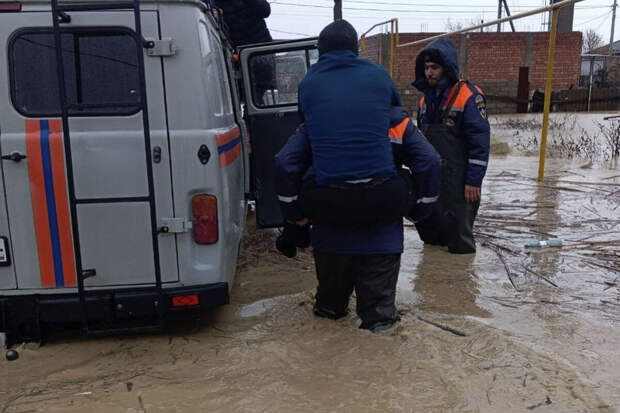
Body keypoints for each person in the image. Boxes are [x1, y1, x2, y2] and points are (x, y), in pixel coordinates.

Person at [274, 20, 440, 333]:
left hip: (329, 227)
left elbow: (284, 164)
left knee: (329, 317)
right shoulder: (382, 85)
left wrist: (295, 215)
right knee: (381, 325)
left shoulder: (309, 85)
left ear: (321, 51)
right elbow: (429, 161)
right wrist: (420, 210)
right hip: (383, 227)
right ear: (356, 50)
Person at [412, 38, 490, 254]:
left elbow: (480, 143)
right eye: (426, 68)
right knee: (431, 240)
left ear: (447, 68)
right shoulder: (424, 102)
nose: (429, 73)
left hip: (460, 183)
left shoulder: (470, 97)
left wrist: (473, 181)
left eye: (434, 68)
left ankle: (461, 275)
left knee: (460, 244)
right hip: (433, 179)